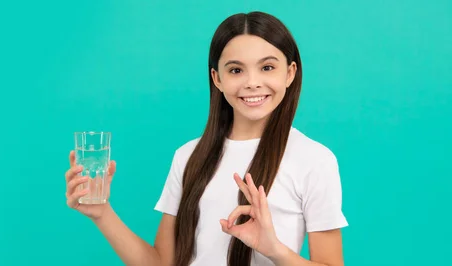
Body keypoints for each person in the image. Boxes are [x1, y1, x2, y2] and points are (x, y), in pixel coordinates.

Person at [64, 11, 348, 266]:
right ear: (217, 78)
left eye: (267, 67)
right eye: (236, 70)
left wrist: (275, 250)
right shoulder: (188, 156)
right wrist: (101, 213)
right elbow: (162, 263)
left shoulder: (314, 160)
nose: (252, 82)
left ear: (290, 73)